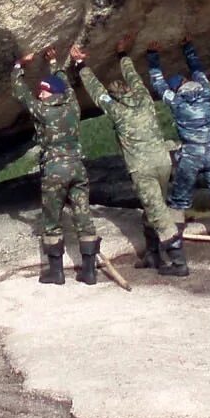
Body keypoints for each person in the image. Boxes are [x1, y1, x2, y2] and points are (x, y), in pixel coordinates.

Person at [78, 38, 181, 274]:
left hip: (142, 169)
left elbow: (97, 92)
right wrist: (122, 54)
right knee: (153, 206)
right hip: (164, 162)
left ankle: (178, 262)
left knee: (157, 212)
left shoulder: (116, 110)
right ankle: (153, 255)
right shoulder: (144, 99)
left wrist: (81, 66)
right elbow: (134, 76)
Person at [148, 40, 210, 265]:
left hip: (191, 156)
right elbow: (198, 68)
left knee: (179, 202)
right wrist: (188, 46)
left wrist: (152, 54)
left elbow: (157, 82)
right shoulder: (206, 93)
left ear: (176, 88)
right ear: (187, 82)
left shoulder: (176, 101)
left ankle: (176, 251)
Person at [11, 45, 100, 285]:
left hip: (54, 170)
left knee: (51, 220)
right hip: (77, 168)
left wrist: (18, 66)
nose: (40, 94)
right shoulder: (72, 106)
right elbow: (67, 87)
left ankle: (56, 272)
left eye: (43, 91)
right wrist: (54, 64)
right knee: (84, 216)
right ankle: (90, 271)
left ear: (49, 94)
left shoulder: (41, 111)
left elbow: (21, 93)